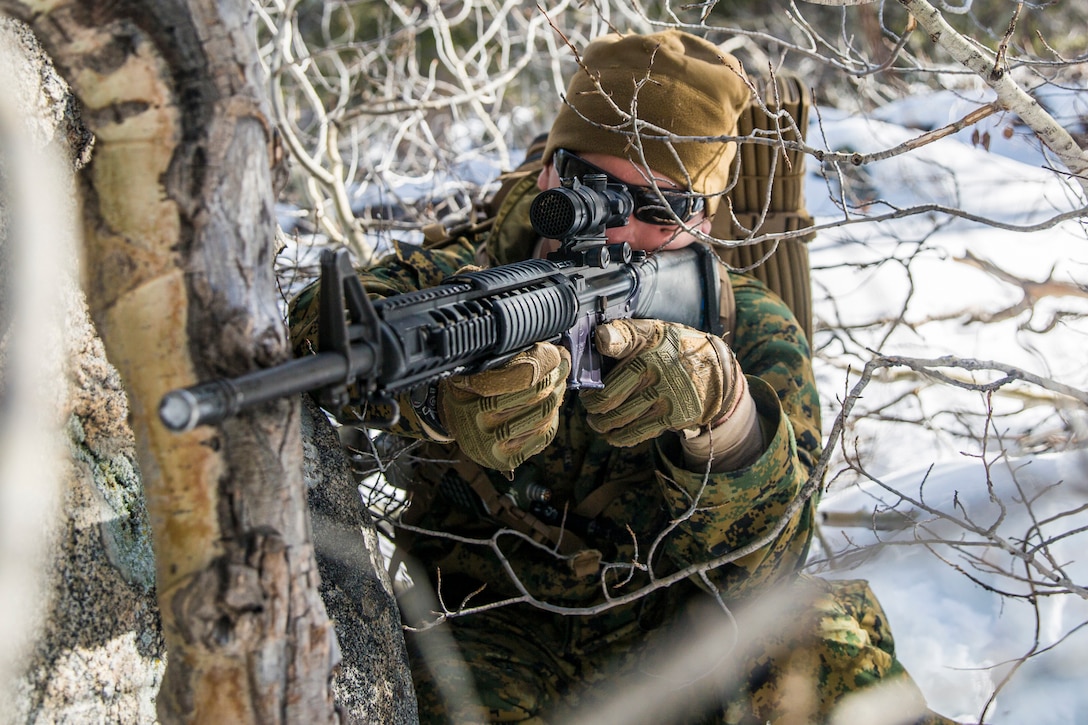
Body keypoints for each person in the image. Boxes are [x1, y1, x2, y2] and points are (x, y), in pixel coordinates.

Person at [290, 29, 956, 725]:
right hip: (490, 624)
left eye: (661, 209)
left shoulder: (751, 328)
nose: (616, 230)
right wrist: (433, 395)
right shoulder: (465, 276)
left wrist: (726, 419)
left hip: (682, 638)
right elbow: (325, 322)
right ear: (550, 174)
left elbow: (772, 565)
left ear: (704, 216)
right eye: (591, 189)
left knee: (824, 635)